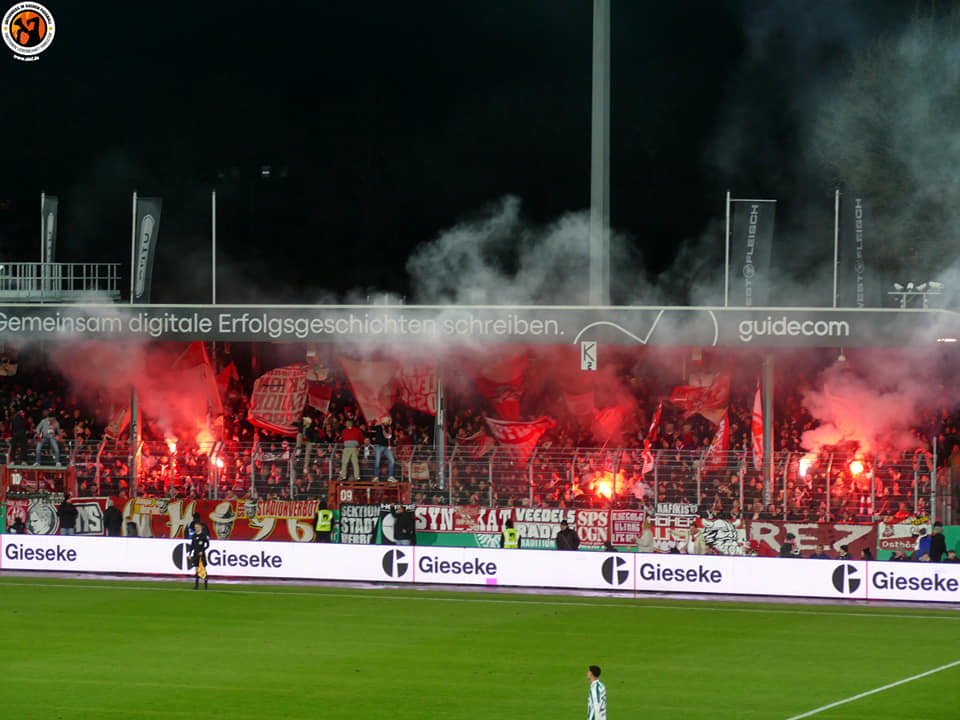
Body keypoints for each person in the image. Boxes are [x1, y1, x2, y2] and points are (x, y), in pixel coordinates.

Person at [371, 416, 396, 481]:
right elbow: (372, 428)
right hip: (379, 446)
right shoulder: (379, 426)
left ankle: (390, 476)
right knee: (377, 462)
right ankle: (376, 477)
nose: (390, 422)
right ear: (385, 421)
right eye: (389, 420)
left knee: (392, 461)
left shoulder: (390, 428)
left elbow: (392, 437)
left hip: (386, 447)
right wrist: (374, 423)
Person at [188, 520, 210, 590]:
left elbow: (207, 545)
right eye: (195, 527)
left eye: (197, 527)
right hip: (195, 554)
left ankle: (206, 586)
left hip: (201, 555)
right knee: (196, 569)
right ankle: (196, 585)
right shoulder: (194, 535)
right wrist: (190, 554)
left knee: (203, 569)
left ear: (200, 527)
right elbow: (192, 545)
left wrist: (202, 551)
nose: (196, 528)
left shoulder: (203, 535)